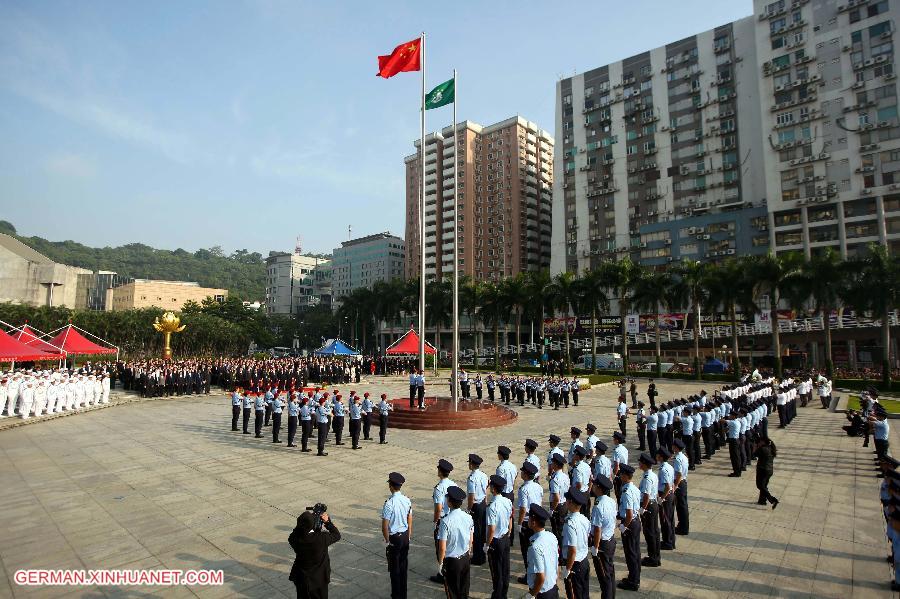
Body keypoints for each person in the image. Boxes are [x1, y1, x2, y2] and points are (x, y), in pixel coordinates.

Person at [288, 508, 341, 599]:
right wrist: (328, 522)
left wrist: (305, 525)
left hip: (301, 578)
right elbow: (337, 535)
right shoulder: (321, 538)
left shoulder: (294, 538)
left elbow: (298, 532)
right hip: (319, 579)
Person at [436, 486, 474, 599]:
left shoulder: (445, 521)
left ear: (449, 502)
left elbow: (442, 547)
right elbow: (471, 539)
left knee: (452, 592)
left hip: (452, 561)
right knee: (463, 591)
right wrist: (468, 552)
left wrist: (440, 563)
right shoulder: (468, 517)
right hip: (465, 557)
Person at [383, 472, 412, 599]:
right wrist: (409, 535)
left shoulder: (389, 503)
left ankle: (396, 595)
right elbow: (409, 518)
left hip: (394, 537)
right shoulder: (406, 499)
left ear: (390, 486)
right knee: (403, 566)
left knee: (394, 569)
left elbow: (385, 526)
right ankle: (403, 594)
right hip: (405, 535)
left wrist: (387, 541)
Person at [485, 474, 513, 599]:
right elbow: (510, 517)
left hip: (496, 541)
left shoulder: (492, 506)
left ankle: (497, 595)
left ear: (494, 488)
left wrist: (487, 544)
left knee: (497, 571)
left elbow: (491, 528)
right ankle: (504, 594)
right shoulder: (507, 501)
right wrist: (509, 531)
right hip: (505, 538)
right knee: (505, 568)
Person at [516, 461, 544, 584]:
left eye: (522, 471)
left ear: (526, 474)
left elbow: (522, 509)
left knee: (526, 550)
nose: (521, 473)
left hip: (527, 521)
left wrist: (519, 524)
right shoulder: (538, 486)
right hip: (536, 520)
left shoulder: (523, 489)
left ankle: (529, 576)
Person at [589, 474, 617, 599]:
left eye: (594, 485)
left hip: (602, 544)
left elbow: (597, 529)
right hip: (610, 540)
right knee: (610, 573)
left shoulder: (598, 506)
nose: (593, 486)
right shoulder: (611, 501)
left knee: (604, 577)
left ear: (599, 487)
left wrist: (595, 546)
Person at [561, 490, 591, 599]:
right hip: (583, 561)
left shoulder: (570, 523)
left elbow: (572, 550)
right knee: (584, 593)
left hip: (575, 564)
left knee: (575, 594)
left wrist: (568, 569)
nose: (566, 502)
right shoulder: (584, 519)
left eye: (567, 500)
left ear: (571, 502)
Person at [525, 504, 559, 599]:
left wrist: (532, 594)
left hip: (542, 593)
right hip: (552, 587)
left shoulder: (535, 547)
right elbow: (556, 562)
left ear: (533, 523)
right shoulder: (551, 536)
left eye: (530, 519)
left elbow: (540, 577)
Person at [617, 464, 642, 592]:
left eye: (621, 474)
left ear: (626, 476)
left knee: (631, 553)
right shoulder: (634, 488)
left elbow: (629, 514)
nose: (620, 476)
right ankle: (635, 576)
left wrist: (623, 526)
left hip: (630, 524)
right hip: (636, 522)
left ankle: (633, 582)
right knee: (635, 552)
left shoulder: (626, 492)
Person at [431, 459, 456, 585]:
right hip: (452, 518)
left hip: (443, 520)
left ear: (440, 471)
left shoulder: (439, 488)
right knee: (450, 547)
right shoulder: (453, 484)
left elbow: (438, 508)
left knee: (440, 548)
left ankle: (442, 573)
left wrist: (435, 521)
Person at [637, 452, 661, 568]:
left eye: (640, 462)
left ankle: (653, 558)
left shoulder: (647, 478)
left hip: (649, 506)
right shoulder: (652, 475)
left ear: (645, 464)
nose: (639, 464)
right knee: (654, 532)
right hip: (653, 504)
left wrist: (643, 509)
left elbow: (646, 495)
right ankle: (655, 556)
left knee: (650, 533)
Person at [466, 454, 488, 566]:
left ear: (472, 464)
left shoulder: (471, 478)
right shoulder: (484, 475)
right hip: (483, 504)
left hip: (476, 506)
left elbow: (471, 496)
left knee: (476, 533)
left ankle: (478, 557)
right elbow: (485, 490)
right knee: (482, 531)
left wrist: (469, 509)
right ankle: (482, 554)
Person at [656, 447, 676, 550]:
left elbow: (667, 486)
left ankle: (667, 542)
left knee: (665, 520)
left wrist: (661, 498)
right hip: (670, 495)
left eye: (657, 455)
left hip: (665, 495)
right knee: (670, 519)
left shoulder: (663, 469)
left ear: (661, 457)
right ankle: (671, 540)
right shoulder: (669, 466)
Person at [754, 437, 779, 509]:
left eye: (760, 441)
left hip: (762, 470)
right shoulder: (771, 448)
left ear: (763, 442)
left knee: (760, 486)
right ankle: (762, 500)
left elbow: (754, 454)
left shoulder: (762, 449)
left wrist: (756, 446)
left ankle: (772, 500)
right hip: (769, 470)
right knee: (764, 486)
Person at [672, 438, 690, 536]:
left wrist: (675, 486)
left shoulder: (678, 459)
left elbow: (678, 474)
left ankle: (683, 528)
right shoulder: (683, 456)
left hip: (679, 483)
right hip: (683, 482)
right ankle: (682, 526)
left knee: (681, 507)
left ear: (676, 447)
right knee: (682, 506)